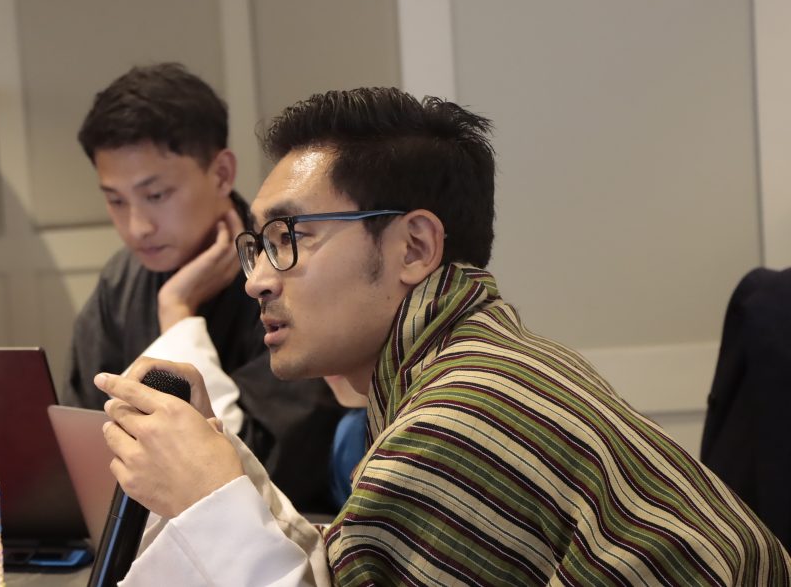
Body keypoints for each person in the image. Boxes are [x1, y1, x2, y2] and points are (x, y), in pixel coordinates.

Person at [94, 87, 791, 585]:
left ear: (415, 246)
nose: (259, 280)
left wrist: (210, 501)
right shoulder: (478, 365)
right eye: (259, 246)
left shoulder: (457, 420)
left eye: (290, 236)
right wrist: (224, 465)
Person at [62, 63, 342, 512]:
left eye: (156, 195)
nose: (138, 227)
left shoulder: (289, 274)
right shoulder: (120, 281)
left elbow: (261, 473)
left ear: (222, 174)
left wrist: (177, 314)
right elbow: (83, 439)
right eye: (115, 201)